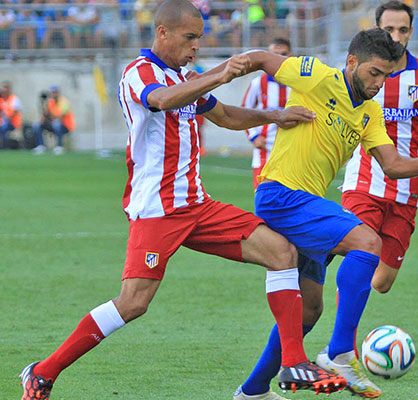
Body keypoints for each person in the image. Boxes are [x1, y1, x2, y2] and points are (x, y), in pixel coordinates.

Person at [19, 2, 346, 399]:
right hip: (157, 210)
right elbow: (163, 100)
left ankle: (293, 362)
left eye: (200, 39)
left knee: (281, 253)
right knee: (133, 303)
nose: (195, 47)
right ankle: (43, 372)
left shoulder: (184, 77)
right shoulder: (139, 74)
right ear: (163, 34)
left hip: (197, 205)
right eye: (190, 38)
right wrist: (219, 74)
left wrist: (275, 116)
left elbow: (224, 115)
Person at [234, 28, 418, 400]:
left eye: (386, 75)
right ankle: (340, 352)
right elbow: (260, 58)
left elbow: (391, 164)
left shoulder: (370, 111)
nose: (379, 82)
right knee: (368, 241)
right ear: (352, 62)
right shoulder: (316, 75)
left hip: (304, 205)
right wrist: (221, 74)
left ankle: (253, 390)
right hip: (279, 194)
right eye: (374, 73)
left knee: (310, 311)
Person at [328, 2, 418, 395]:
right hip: (364, 182)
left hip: (406, 190)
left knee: (381, 282)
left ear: (412, 31)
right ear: (377, 30)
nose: (397, 37)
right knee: (359, 255)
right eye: (390, 29)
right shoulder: (359, 74)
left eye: (404, 30)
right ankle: (341, 352)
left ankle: (314, 254)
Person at [241, 37, 292, 189]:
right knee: (263, 196)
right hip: (265, 149)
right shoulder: (258, 83)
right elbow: (244, 111)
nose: (279, 58)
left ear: (290, 56)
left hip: (292, 148)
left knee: (291, 197)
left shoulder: (299, 84)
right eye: (274, 54)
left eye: (283, 53)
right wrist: (254, 136)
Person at [32, 85, 76, 155]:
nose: (54, 94)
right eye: (53, 93)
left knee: (56, 123)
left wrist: (51, 118)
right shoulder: (50, 102)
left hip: (65, 126)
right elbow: (47, 115)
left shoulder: (64, 102)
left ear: (58, 93)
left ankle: (59, 146)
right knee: (36, 125)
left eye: (55, 92)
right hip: (53, 124)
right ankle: (41, 146)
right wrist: (42, 104)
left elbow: (61, 117)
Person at [0, 81, 22, 149]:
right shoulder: (1, 100)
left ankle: (3, 146)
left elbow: (14, 113)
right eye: (3, 87)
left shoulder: (14, 99)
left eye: (6, 87)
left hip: (13, 123)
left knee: (4, 126)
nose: (4, 89)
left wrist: (5, 119)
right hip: (3, 122)